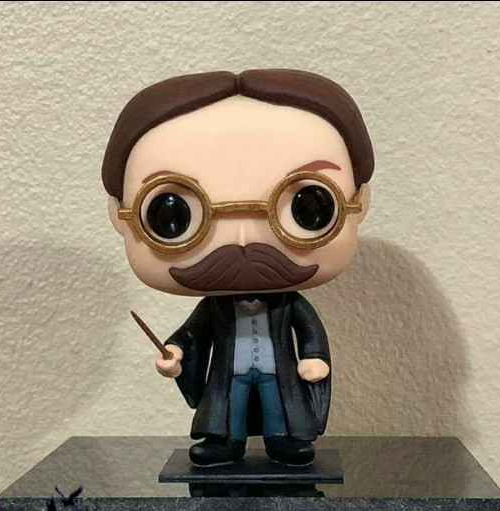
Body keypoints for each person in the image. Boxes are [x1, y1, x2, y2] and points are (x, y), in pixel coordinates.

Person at [103, 70, 374, 466]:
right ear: (119, 215)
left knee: (278, 404)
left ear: (359, 202)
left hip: (276, 371)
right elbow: (192, 334)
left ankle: (283, 440)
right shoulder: (214, 308)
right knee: (228, 405)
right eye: (171, 215)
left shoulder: (289, 305)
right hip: (230, 373)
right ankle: (225, 443)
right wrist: (175, 352)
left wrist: (314, 357)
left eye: (309, 207)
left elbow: (309, 331)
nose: (243, 242)